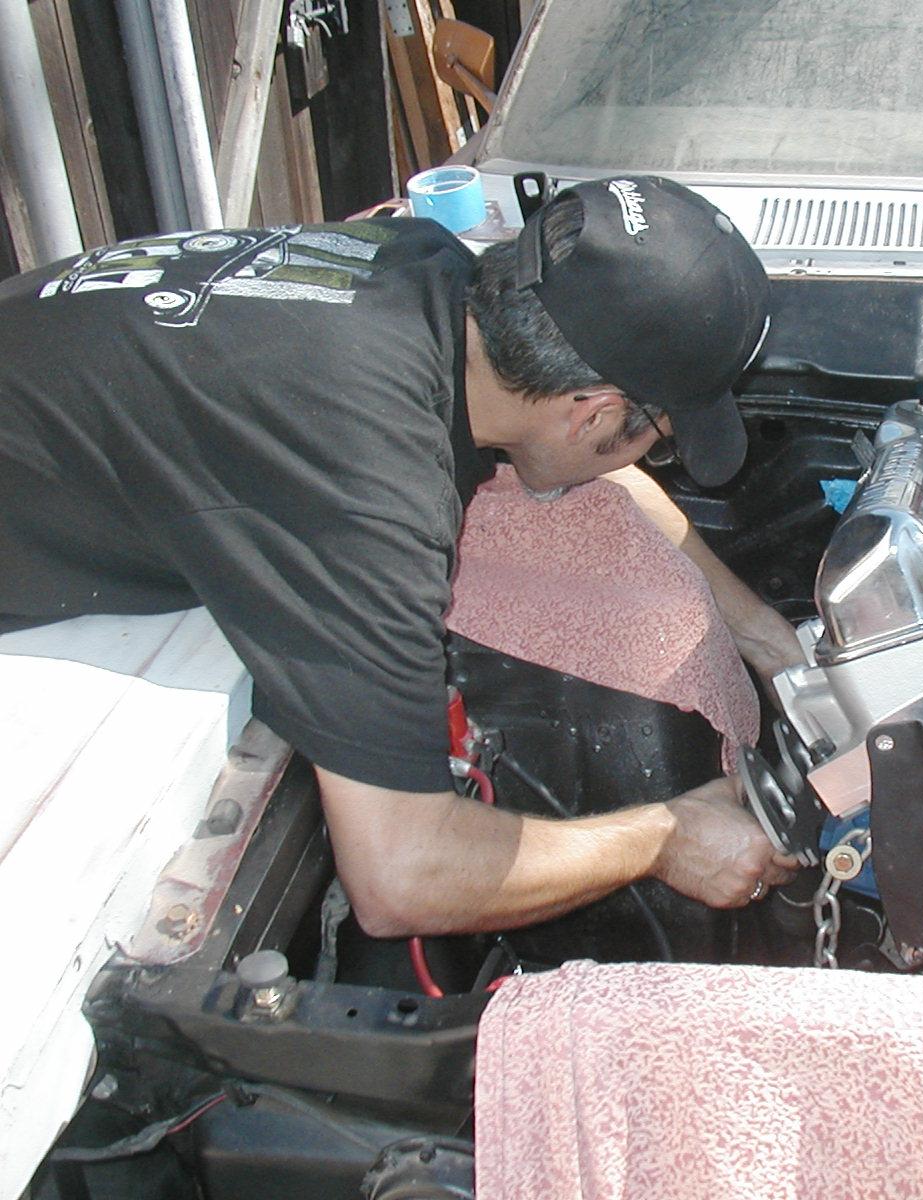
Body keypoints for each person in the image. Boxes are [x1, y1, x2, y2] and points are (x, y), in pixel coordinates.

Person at [0, 175, 799, 937]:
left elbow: (609, 478)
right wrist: (663, 838)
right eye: (658, 438)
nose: (642, 459)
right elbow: (400, 874)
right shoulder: (363, 481)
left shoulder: (424, 263)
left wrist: (771, 644)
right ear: (590, 414)